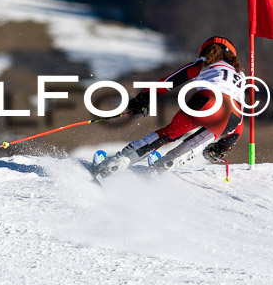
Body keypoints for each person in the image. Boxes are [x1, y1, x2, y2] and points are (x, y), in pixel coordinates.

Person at [94, 36, 245, 178]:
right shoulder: (241, 76)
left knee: (167, 134)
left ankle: (113, 165)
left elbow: (168, 82)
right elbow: (240, 113)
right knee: (196, 143)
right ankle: (162, 168)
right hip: (232, 117)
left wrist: (142, 100)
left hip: (208, 100)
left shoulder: (205, 63)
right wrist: (224, 146)